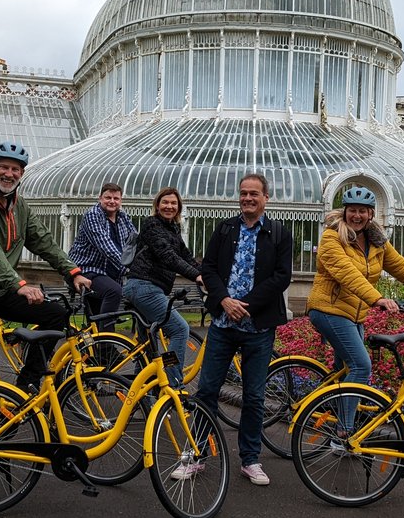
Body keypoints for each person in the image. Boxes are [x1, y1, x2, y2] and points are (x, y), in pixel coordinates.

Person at [0, 142, 92, 397]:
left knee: (55, 314)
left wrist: (72, 271)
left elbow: (43, 241)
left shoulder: (17, 205)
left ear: (21, 174)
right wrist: (19, 284)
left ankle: (26, 386)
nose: (9, 174)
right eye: (4, 167)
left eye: (15, 169)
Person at [306, 185, 404, 431]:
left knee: (344, 372)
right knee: (361, 366)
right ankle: (344, 432)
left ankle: (324, 412)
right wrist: (378, 299)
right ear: (344, 212)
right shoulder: (332, 237)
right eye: (352, 210)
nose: (357, 216)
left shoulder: (377, 243)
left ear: (371, 214)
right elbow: (348, 274)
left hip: (355, 314)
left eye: (362, 211)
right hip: (328, 310)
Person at [190, 173, 294, 487]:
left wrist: (243, 304)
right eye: (243, 193)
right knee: (207, 391)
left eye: (254, 194)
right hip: (223, 325)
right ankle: (197, 455)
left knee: (254, 396)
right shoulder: (225, 229)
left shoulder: (278, 233)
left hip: (258, 327)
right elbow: (207, 267)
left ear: (266, 198)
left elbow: (281, 277)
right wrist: (223, 300)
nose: (247, 198)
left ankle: (250, 459)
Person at [123, 187, 202, 387]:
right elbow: (168, 256)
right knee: (179, 329)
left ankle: (143, 393)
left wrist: (209, 274)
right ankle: (173, 383)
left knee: (148, 346)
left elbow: (186, 257)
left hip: (147, 289)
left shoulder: (173, 230)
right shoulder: (152, 225)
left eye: (173, 203)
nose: (169, 206)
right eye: (165, 202)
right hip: (144, 287)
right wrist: (197, 276)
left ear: (178, 208)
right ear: (157, 206)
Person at [68, 182, 138, 317]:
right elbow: (106, 247)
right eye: (108, 198)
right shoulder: (93, 215)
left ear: (121, 200)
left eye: (116, 198)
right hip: (87, 270)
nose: (112, 201)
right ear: (100, 198)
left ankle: (100, 335)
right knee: (113, 291)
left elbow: (134, 241)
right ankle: (107, 336)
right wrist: (130, 269)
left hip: (110, 274)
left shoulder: (123, 217)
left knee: (97, 315)